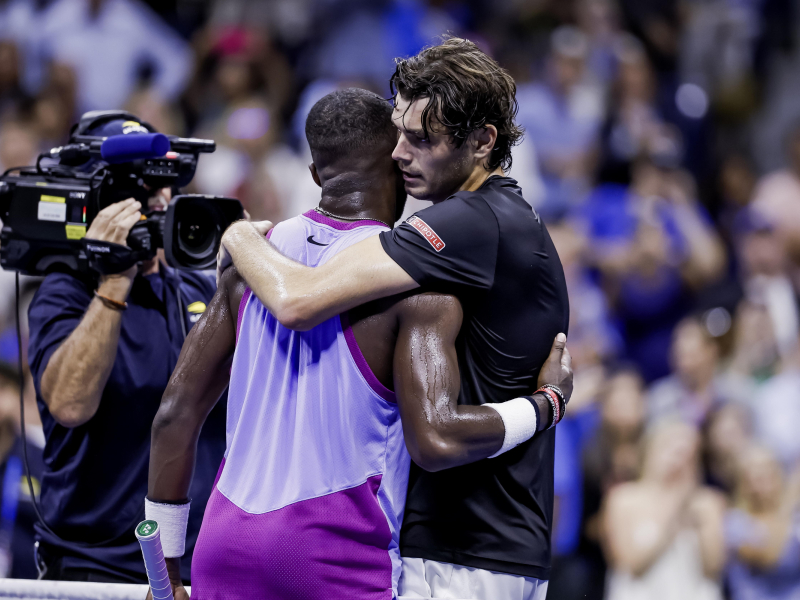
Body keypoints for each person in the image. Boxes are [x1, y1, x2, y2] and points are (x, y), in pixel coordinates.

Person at [146, 88, 572, 600]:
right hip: (336, 561)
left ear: (313, 175)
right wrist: (548, 403)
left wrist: (163, 567)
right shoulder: (417, 288)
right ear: (398, 163)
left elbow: (174, 415)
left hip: (224, 550)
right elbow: (435, 437)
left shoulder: (249, 268)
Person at [26, 115, 226, 582]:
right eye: (139, 188)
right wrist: (115, 278)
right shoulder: (66, 290)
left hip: (195, 568)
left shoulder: (199, 289)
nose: (159, 201)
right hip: (94, 566)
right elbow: (70, 405)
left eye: (164, 184)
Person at [602, 420, 725, 600]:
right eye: (671, 449)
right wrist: (675, 508)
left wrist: (688, 497)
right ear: (649, 449)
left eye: (688, 454)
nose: (678, 460)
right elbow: (629, 565)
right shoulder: (623, 498)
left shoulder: (708, 502)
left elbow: (713, 567)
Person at [726, 444, 800, 600]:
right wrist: (790, 500)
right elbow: (770, 558)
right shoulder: (736, 522)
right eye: (753, 468)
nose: (761, 473)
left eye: (767, 466)